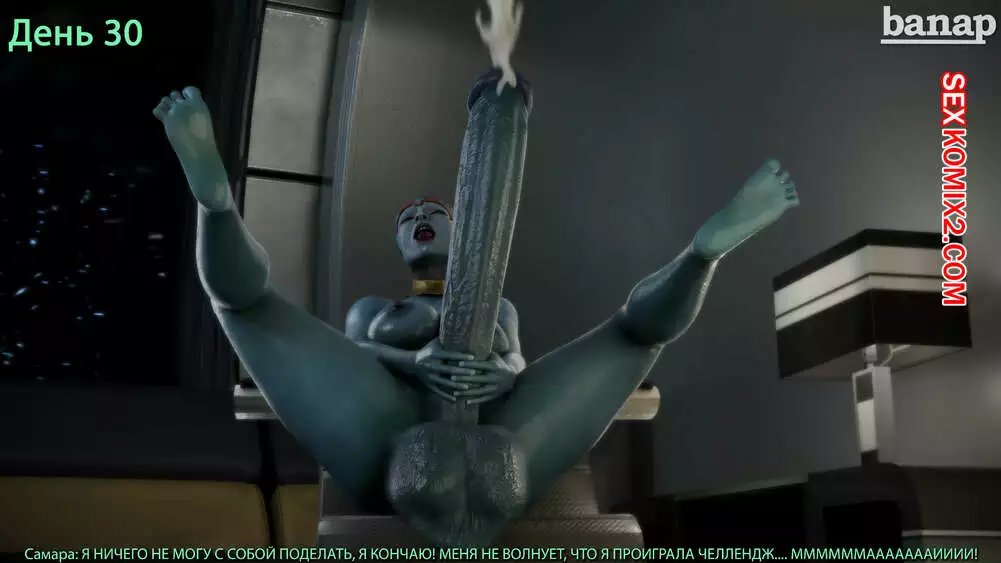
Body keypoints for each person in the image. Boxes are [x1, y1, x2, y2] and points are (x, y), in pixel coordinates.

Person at [153, 84, 798, 545]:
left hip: (500, 430)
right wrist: (415, 361)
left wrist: (507, 374)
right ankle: (216, 205)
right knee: (248, 307)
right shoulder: (376, 309)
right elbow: (352, 358)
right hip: (388, 429)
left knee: (633, 335)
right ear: (400, 245)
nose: (420, 220)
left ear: (458, 228)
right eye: (409, 219)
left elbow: (514, 358)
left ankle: (702, 254)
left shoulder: (501, 305)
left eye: (432, 214)